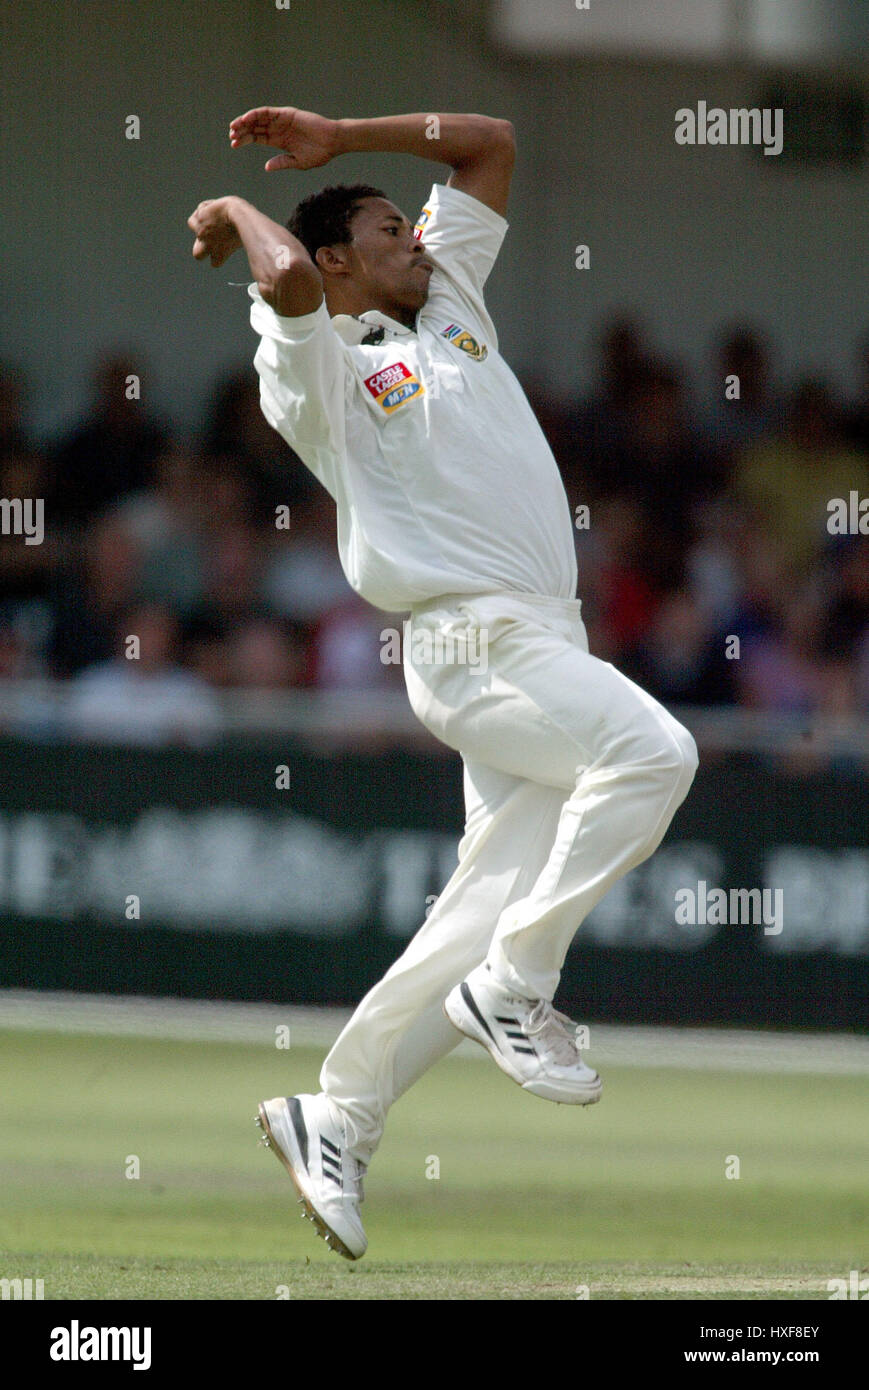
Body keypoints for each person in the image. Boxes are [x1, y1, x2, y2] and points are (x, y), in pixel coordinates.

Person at [188, 106, 698, 1260]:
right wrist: (232, 206)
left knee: (476, 905)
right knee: (654, 754)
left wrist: (344, 133)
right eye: (384, 229)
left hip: (542, 639)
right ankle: (518, 986)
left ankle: (340, 1111)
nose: (414, 240)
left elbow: (493, 141)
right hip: (465, 644)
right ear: (335, 260)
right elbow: (280, 286)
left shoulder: (449, 299)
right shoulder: (316, 366)